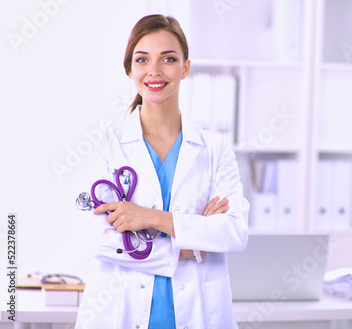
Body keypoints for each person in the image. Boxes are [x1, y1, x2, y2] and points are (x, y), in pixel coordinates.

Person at [75, 14, 249, 329]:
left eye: (168, 58)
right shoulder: (106, 146)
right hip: (120, 314)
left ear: (185, 67)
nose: (154, 71)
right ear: (130, 69)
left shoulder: (214, 149)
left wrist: (151, 219)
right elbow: (99, 241)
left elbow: (234, 233)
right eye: (143, 59)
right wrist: (192, 244)